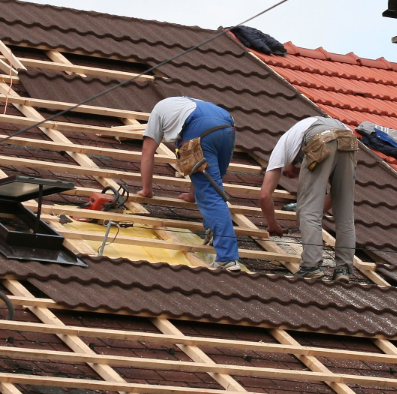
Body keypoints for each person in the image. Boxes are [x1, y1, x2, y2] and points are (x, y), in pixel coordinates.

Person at [138, 96, 240, 271]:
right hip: (227, 127)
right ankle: (212, 227)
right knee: (212, 185)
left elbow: (148, 151)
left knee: (211, 194)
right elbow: (199, 169)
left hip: (199, 129)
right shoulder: (189, 103)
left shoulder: (158, 110)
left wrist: (146, 190)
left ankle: (227, 258)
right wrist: (192, 195)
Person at [259, 117, 357, 283]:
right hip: (348, 138)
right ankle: (344, 270)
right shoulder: (299, 140)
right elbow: (334, 196)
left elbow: (264, 195)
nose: (289, 175)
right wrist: (309, 221)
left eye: (286, 172)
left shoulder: (282, 147)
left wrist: (273, 224)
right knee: (345, 212)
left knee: (307, 209)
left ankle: (310, 267)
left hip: (320, 136)